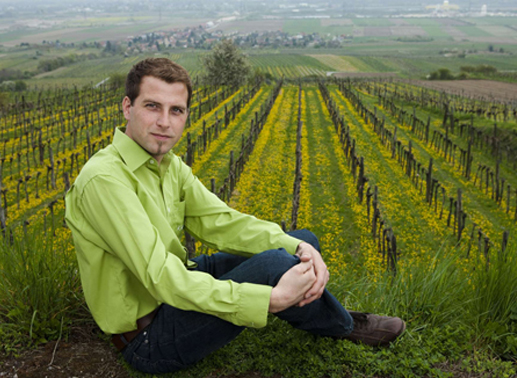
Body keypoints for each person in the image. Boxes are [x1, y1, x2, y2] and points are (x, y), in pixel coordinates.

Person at [65, 58, 405, 374]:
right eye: (152, 106)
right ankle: (344, 326)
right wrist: (267, 300)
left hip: (180, 285)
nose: (164, 122)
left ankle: (315, 304)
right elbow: (161, 277)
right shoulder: (104, 180)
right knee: (275, 267)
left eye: (176, 110)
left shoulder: (169, 166)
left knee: (301, 244)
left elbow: (222, 222)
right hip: (149, 336)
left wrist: (297, 247)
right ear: (127, 107)